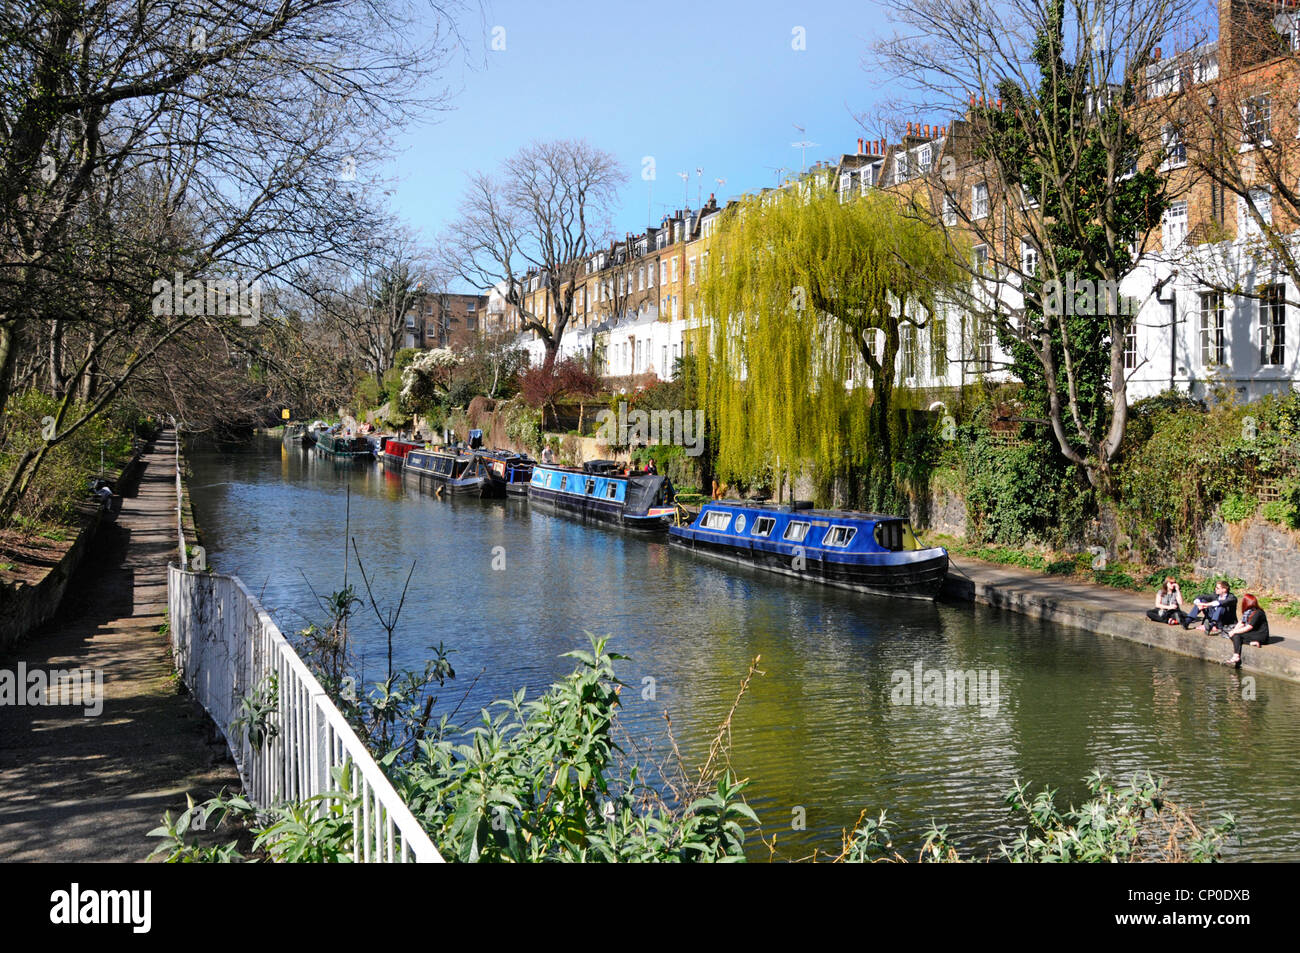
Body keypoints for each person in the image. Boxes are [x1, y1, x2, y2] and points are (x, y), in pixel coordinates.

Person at [1225, 593, 1270, 666]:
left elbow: (1249, 627)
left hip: (1261, 635)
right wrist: (1233, 630)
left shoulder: (1258, 613)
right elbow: (1242, 623)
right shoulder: (1248, 612)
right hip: (1253, 633)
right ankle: (1251, 643)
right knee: (1233, 635)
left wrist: (1234, 632)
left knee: (1236, 636)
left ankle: (1236, 656)